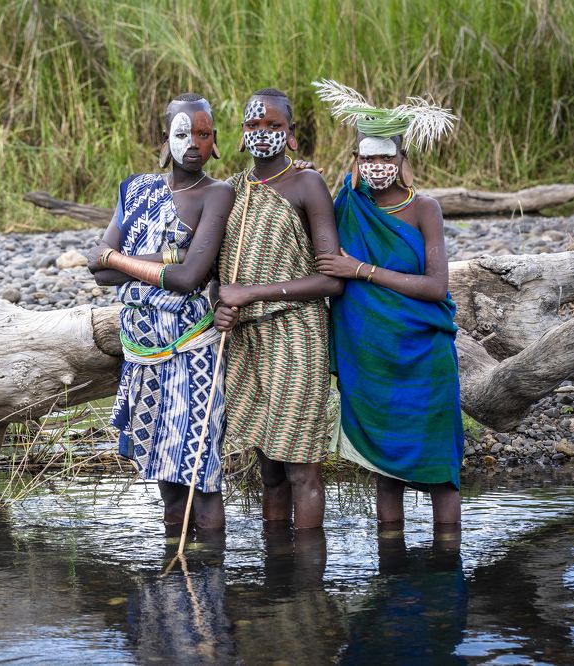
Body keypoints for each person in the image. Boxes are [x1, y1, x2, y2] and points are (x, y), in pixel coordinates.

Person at [312, 79, 462, 535]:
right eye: (368, 158)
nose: (378, 167)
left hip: (426, 356)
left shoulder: (425, 210)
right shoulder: (346, 205)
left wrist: (361, 269)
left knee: (443, 470)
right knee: (384, 469)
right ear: (355, 162)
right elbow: (305, 214)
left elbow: (436, 287)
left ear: (403, 162)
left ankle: (446, 566)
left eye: (387, 158)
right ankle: (390, 565)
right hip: (371, 357)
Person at [88, 93, 235, 535]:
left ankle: (208, 576)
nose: (194, 143)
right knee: (165, 478)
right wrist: (168, 256)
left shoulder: (217, 193)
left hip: (193, 356)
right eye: (183, 133)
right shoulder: (137, 190)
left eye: (204, 134)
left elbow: (191, 279)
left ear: (215, 141)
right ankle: (174, 571)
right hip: (141, 356)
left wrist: (122, 259)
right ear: (165, 137)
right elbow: (98, 270)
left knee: (199, 475)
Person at [213, 88, 342, 530]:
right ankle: (277, 567)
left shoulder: (308, 184)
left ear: (291, 134)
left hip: (296, 334)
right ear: (241, 134)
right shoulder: (231, 190)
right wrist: (221, 302)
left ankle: (306, 581)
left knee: (298, 464)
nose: (262, 133)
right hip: (246, 339)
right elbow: (217, 269)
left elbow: (330, 278)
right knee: (267, 466)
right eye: (253, 126)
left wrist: (251, 294)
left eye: (274, 126)